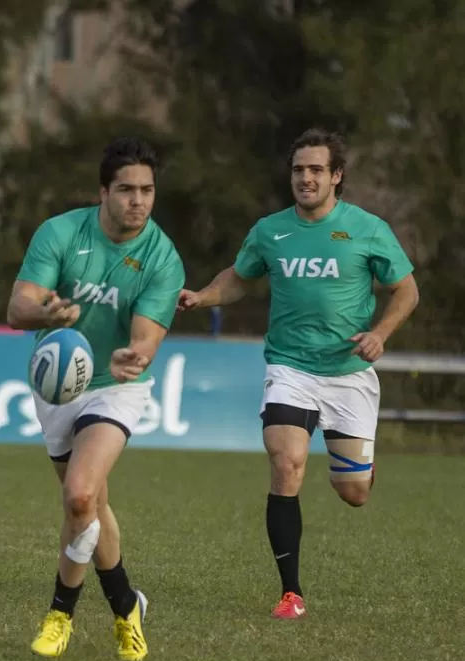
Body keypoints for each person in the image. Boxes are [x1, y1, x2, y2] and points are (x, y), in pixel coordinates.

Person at [178, 127, 419, 619]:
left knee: (352, 493)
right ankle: (291, 592)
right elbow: (239, 278)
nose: (305, 178)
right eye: (298, 170)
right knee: (286, 462)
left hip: (349, 373)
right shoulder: (270, 230)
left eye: (315, 170)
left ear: (336, 176)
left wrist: (381, 334)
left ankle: (361, 466)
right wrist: (203, 296)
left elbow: (407, 291)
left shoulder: (367, 228)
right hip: (290, 367)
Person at [6, 137, 185, 661]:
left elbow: (148, 335)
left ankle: (59, 614)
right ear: (103, 192)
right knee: (92, 507)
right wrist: (47, 314)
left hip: (117, 384)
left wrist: (139, 355)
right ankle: (127, 607)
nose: (138, 201)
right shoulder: (61, 232)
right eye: (126, 190)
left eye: (147, 190)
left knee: (81, 496)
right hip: (57, 383)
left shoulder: (163, 257)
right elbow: (19, 307)